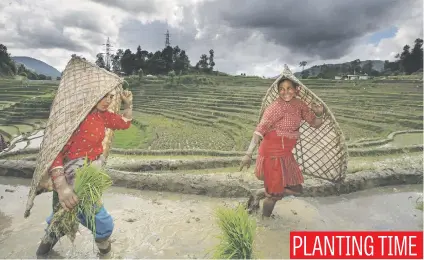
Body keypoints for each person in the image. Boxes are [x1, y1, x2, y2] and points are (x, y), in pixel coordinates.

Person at [36, 89, 133, 257]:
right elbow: (54, 152)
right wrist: (62, 187)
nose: (108, 100)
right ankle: (106, 253)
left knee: (62, 218)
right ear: (90, 94)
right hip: (73, 178)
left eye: (111, 97)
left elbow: (124, 123)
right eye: (104, 95)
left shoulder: (102, 115)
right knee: (101, 222)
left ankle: (43, 251)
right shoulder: (72, 118)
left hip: (90, 176)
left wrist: (128, 104)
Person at [239, 78, 324, 217]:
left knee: (296, 188)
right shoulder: (274, 108)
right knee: (273, 196)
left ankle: (259, 193)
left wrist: (319, 114)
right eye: (282, 89)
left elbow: (315, 123)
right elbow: (259, 131)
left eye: (289, 88)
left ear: (297, 89)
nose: (285, 92)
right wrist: (248, 154)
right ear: (278, 91)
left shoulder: (300, 105)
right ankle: (266, 223)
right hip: (271, 154)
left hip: (285, 154)